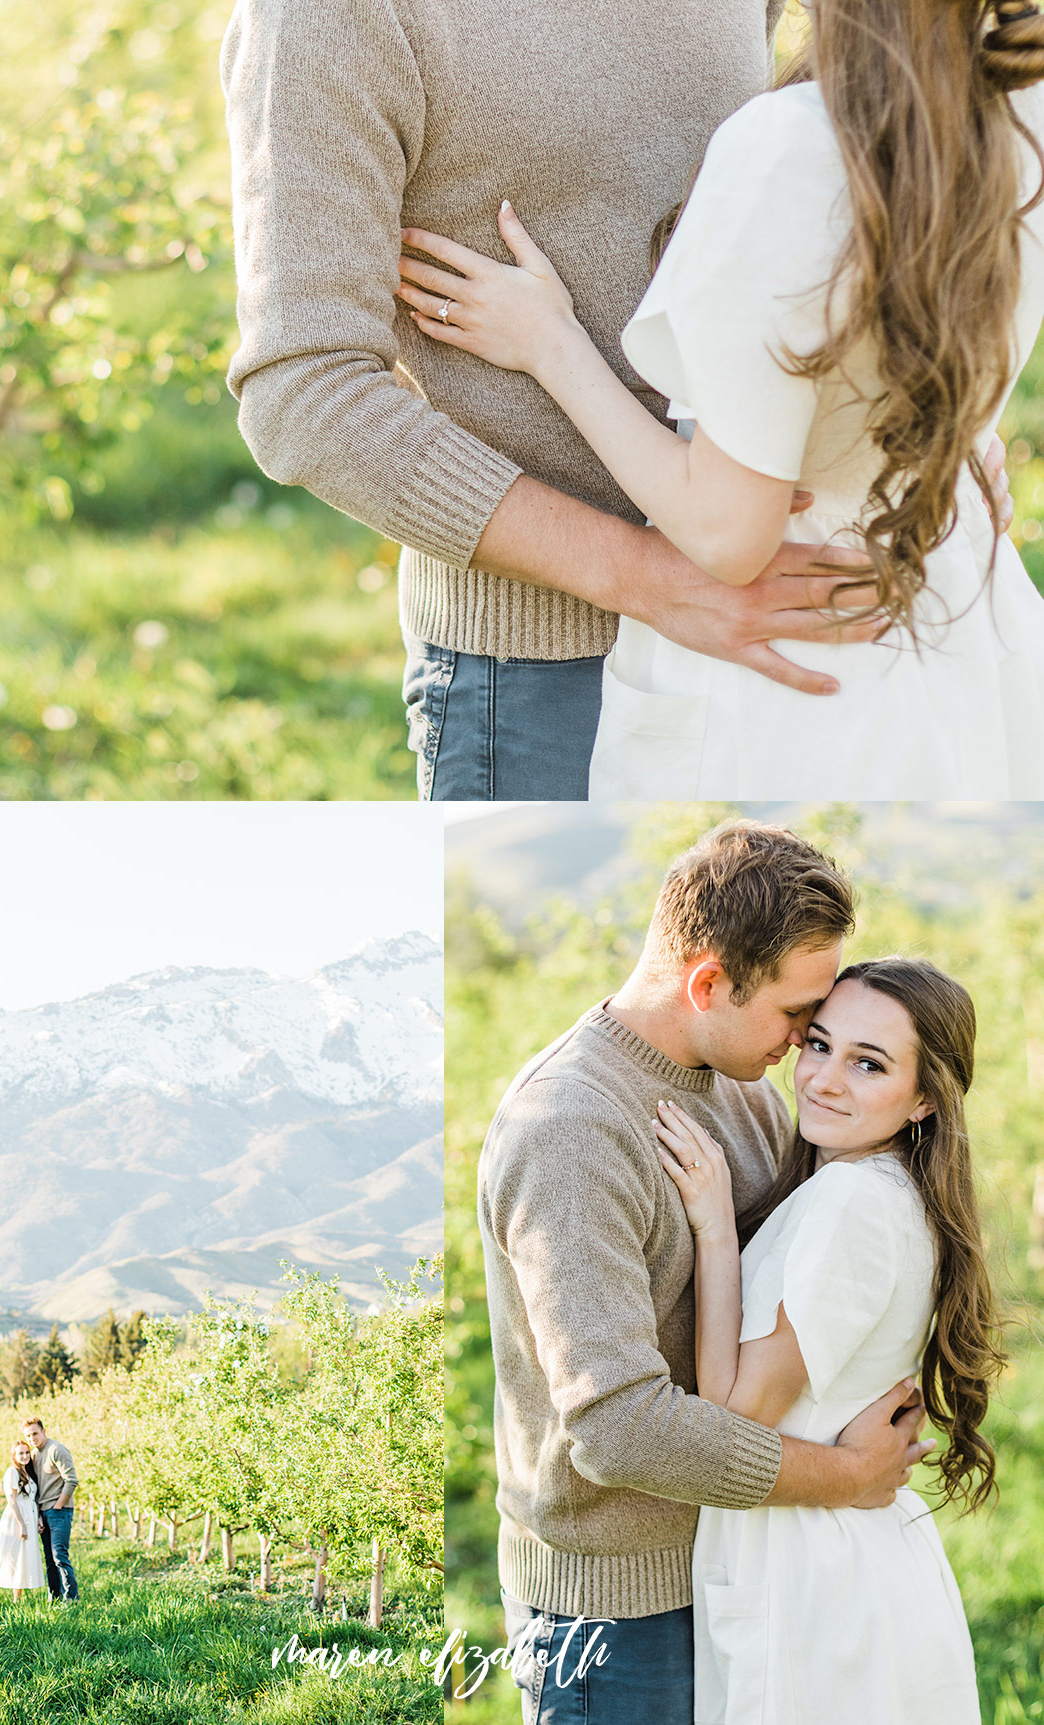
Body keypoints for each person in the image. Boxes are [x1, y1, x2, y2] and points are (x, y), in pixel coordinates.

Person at [219, 0, 937, 801]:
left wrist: (937, 434)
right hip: (539, 681)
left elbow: (817, 192)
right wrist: (641, 575)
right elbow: (305, 392)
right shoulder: (330, 19)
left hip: (780, 620)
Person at [398, 0, 1042, 797]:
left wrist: (549, 343)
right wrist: (956, 435)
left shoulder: (789, 147)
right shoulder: (1020, 101)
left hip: (791, 663)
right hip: (960, 625)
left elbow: (727, 530)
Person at [480, 822, 935, 1725]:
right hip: (612, 1615)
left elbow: (803, 1277)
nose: (808, 1038)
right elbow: (619, 1425)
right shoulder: (571, 1130)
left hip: (736, 1566)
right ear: (708, 983)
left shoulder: (744, 1086)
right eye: (797, 1012)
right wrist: (846, 1475)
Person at [654, 957, 998, 1721]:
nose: (823, 1080)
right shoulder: (881, 1188)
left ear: (923, 1100)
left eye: (868, 1063)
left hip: (813, 1579)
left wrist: (713, 1227)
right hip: (842, 1558)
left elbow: (736, 1417)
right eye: (818, 1044)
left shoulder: (851, 1202)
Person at [23, 1415, 80, 1603]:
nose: (32, 1438)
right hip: (44, 1513)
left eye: (35, 1434)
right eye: (29, 1436)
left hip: (59, 1511)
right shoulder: (34, 1455)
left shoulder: (57, 1450)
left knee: (59, 1556)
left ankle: (71, 1598)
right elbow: (38, 1488)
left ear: (43, 1431)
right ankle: (54, 1597)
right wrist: (39, 1515)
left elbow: (71, 1480)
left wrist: (58, 1506)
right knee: (49, 1559)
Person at [0, 1440, 47, 1603]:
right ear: (14, 1455)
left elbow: (32, 1500)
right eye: (20, 1453)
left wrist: (38, 1519)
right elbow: (12, 1501)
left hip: (29, 1517)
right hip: (15, 1519)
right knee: (8, 1557)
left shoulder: (28, 1473)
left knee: (23, 1558)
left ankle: (17, 1600)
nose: (25, 1456)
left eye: (27, 1452)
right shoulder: (12, 1472)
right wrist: (22, 1524)